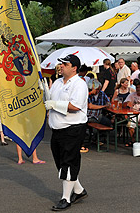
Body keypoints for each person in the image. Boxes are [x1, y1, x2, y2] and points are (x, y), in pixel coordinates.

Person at [44, 54, 88, 211]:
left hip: (73, 128)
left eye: (65, 64)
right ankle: (78, 190)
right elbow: (49, 99)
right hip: (57, 129)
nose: (61, 66)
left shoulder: (79, 84)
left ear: (74, 68)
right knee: (60, 161)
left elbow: (75, 106)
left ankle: (65, 198)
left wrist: (54, 104)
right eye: (61, 64)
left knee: (68, 161)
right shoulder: (56, 82)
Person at [85, 78, 112, 152]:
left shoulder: (102, 94)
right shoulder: (87, 94)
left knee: (108, 122)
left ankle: (98, 138)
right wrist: (103, 106)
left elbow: (108, 102)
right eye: (96, 89)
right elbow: (90, 106)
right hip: (89, 115)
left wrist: (108, 104)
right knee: (102, 121)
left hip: (98, 115)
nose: (97, 91)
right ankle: (95, 137)